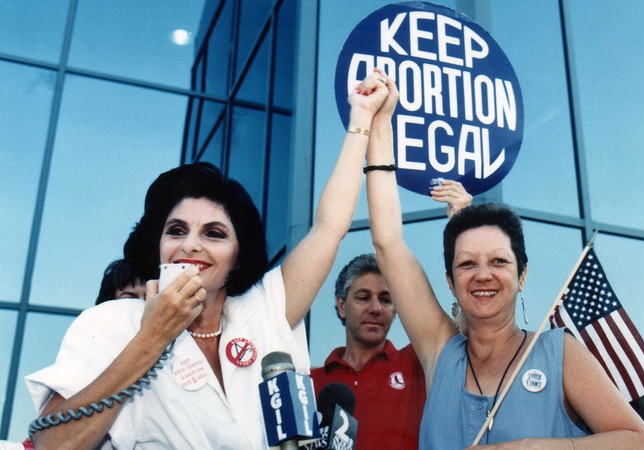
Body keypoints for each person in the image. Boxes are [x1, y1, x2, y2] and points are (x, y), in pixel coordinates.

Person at [24, 69, 392, 450]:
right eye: (176, 230)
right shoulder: (111, 323)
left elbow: (329, 227)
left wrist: (361, 119)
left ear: (237, 255)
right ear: (158, 245)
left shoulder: (265, 309)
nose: (191, 245)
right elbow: (54, 444)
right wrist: (151, 338)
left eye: (214, 234)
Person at [364, 75, 644, 448]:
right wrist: (380, 123)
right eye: (467, 264)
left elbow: (641, 441)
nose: (482, 275)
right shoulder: (439, 351)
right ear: (451, 282)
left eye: (499, 261)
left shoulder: (558, 353)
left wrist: (534, 448)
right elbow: (388, 243)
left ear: (522, 276)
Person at [310, 182, 471, 450]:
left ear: (397, 309)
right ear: (341, 305)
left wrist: (461, 221)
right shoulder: (312, 383)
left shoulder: (417, 363)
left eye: (386, 300)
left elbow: (469, 325)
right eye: (363, 297)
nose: (375, 308)